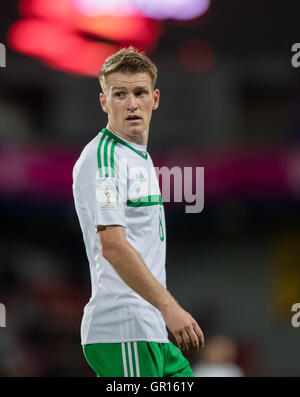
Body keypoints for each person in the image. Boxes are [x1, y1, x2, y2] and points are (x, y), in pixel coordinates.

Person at [72, 46, 204, 377]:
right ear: (104, 102)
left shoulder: (138, 157)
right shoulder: (104, 160)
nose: (131, 103)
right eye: (120, 94)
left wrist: (161, 314)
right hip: (124, 329)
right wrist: (170, 308)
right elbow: (113, 247)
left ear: (154, 99)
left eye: (139, 92)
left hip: (149, 328)